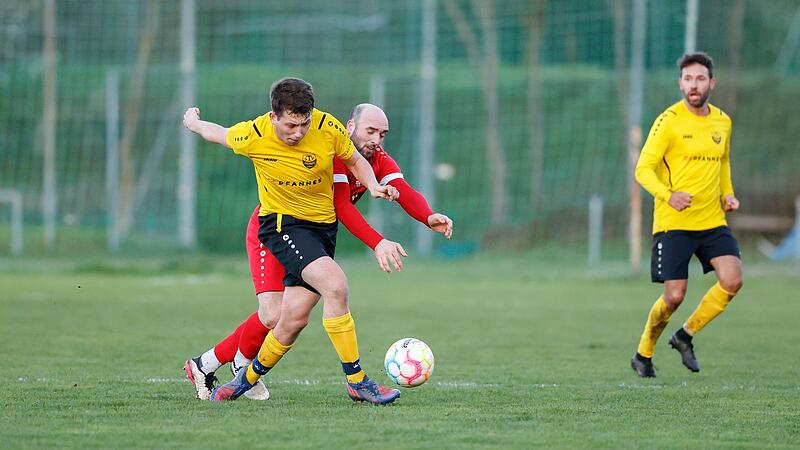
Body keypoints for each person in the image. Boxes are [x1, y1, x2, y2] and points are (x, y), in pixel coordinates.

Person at [183, 103, 453, 401]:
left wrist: (428, 217)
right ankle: (351, 380)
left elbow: (403, 189)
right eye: (371, 131)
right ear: (350, 126)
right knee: (275, 313)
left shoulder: (374, 158)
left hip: (313, 235)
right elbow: (342, 206)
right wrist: (377, 242)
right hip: (276, 229)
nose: (377, 139)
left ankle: (217, 369)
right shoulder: (333, 149)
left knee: (293, 318)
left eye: (383, 134)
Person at [630, 52, 743, 378]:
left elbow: (722, 162)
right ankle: (643, 353)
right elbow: (643, 170)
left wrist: (728, 193)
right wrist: (669, 195)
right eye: (688, 79)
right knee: (674, 296)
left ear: (712, 83)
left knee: (733, 279)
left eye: (700, 79)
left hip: (711, 221)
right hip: (674, 223)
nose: (694, 85)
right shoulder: (668, 121)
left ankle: (684, 335)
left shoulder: (723, 121)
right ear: (681, 83)